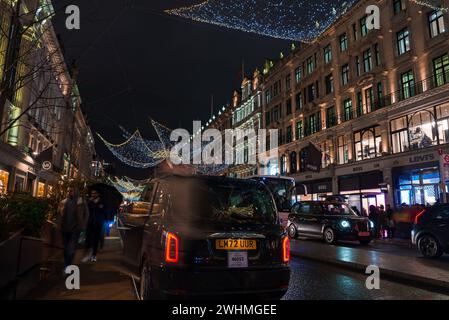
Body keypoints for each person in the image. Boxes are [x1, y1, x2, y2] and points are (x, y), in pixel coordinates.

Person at [57, 187, 89, 272]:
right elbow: (59, 214)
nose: (68, 192)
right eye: (67, 191)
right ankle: (67, 264)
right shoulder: (63, 202)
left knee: (70, 249)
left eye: (71, 191)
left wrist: (82, 225)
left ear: (75, 191)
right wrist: (58, 225)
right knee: (65, 248)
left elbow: (86, 214)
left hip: (75, 229)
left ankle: (67, 265)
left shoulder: (81, 202)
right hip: (64, 229)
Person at [83, 189, 106, 262]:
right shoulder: (90, 202)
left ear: (98, 194)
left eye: (94, 193)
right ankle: (88, 252)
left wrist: (97, 205)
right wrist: (90, 202)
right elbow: (86, 210)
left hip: (98, 223)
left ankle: (94, 255)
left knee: (96, 240)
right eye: (92, 193)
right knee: (88, 239)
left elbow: (103, 211)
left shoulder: (101, 202)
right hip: (90, 223)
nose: (93, 195)